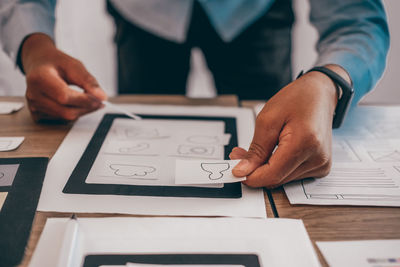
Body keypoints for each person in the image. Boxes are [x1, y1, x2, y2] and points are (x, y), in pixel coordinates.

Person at [0, 0, 389, 188]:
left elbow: (357, 19)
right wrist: (34, 46)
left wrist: (328, 80)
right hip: (142, 14)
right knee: (137, 152)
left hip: (254, 14)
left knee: (280, 151)